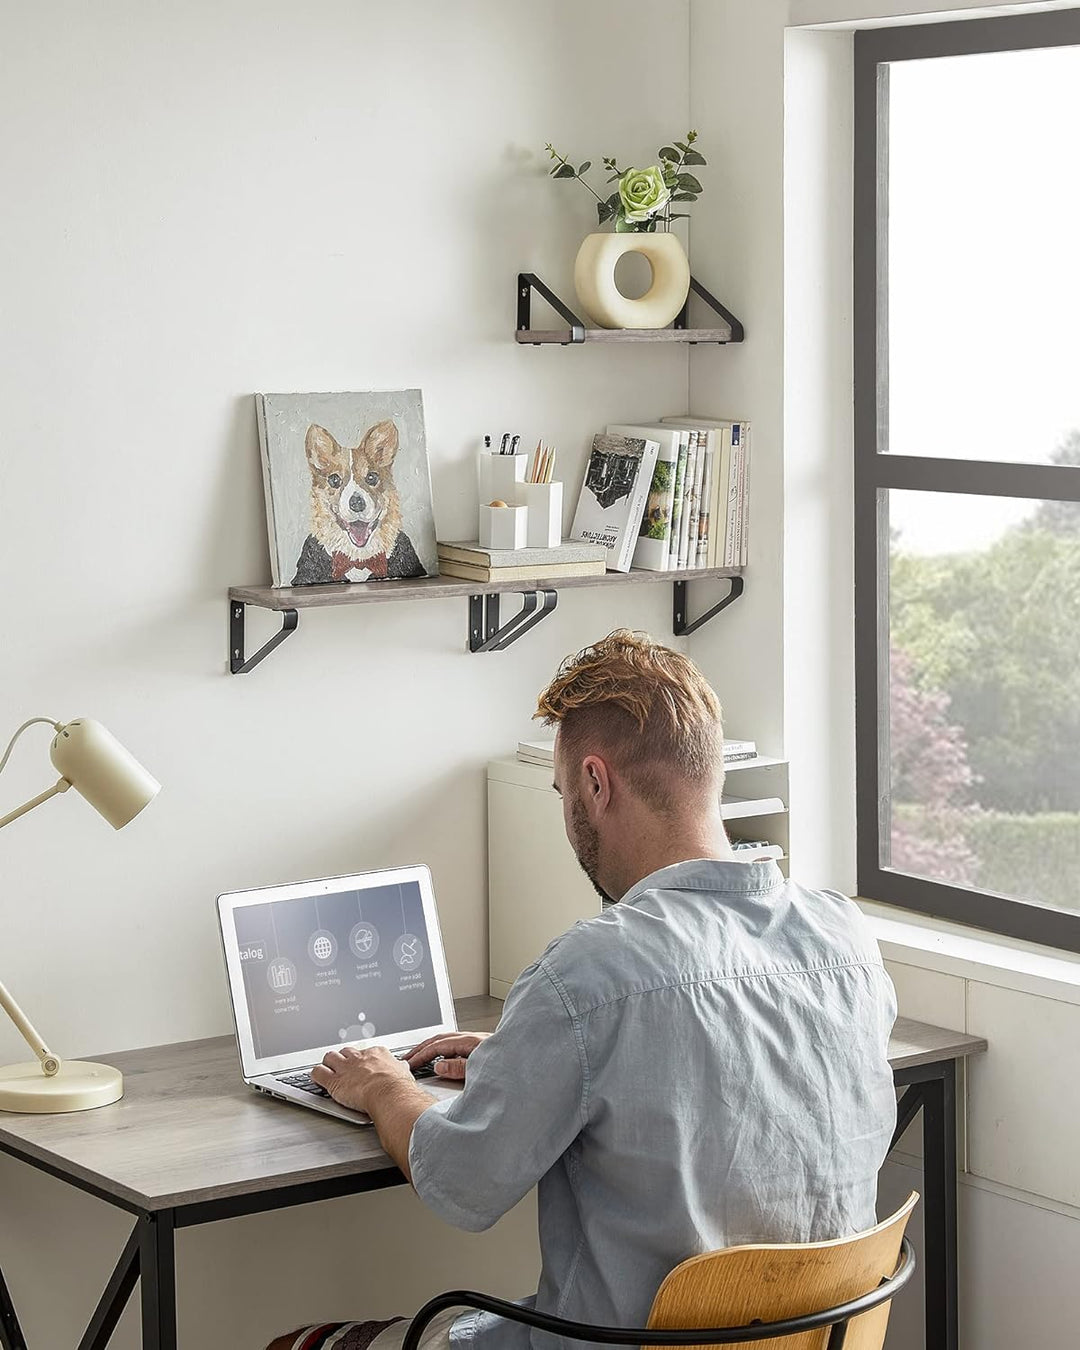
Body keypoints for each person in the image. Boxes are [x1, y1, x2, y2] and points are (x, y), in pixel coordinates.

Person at [267, 631, 897, 1350]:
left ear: (597, 784)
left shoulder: (589, 975)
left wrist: (384, 1086)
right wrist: (527, 1057)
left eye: (565, 792)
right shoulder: (845, 941)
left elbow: (463, 1187)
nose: (569, 811)